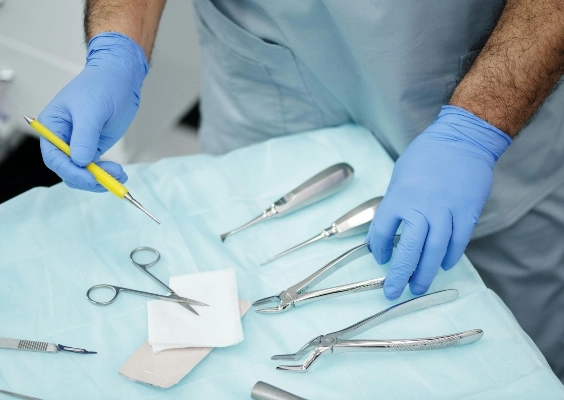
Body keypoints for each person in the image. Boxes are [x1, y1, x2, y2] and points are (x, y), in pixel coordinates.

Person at [39, 0, 564, 380]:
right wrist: (116, 51)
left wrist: (474, 131)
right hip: (272, 77)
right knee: (242, 277)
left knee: (514, 354)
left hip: (485, 93)